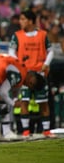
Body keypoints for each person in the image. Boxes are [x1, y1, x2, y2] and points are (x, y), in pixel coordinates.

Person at [0, 54, 46, 141]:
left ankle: (6, 131)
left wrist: (13, 99)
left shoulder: (23, 72)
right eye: (31, 86)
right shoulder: (18, 75)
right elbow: (2, 92)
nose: (28, 87)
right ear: (31, 81)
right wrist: (13, 103)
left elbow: (13, 89)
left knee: (3, 99)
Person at [9, 10, 55, 138]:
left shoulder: (42, 35)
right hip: (25, 74)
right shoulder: (17, 35)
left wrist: (46, 63)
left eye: (23, 19)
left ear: (30, 21)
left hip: (40, 72)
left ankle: (46, 130)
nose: (20, 22)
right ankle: (25, 131)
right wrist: (18, 63)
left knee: (43, 102)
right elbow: (11, 51)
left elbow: (50, 51)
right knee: (24, 101)